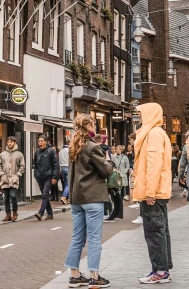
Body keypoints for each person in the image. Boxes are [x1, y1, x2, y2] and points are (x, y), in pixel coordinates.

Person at [63, 115, 113, 288]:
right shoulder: (92, 147)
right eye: (94, 123)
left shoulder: (72, 147)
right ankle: (94, 276)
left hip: (77, 198)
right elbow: (106, 171)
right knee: (94, 238)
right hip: (92, 197)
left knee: (77, 237)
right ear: (89, 126)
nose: (96, 126)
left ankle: (75, 276)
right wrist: (109, 160)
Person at [132, 102, 173, 285]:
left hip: (153, 193)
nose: (139, 116)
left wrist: (149, 192)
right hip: (157, 191)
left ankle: (160, 271)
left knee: (154, 232)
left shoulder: (153, 135)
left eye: (141, 113)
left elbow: (153, 164)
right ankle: (162, 268)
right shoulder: (157, 133)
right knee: (161, 231)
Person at [0, 136, 25, 222]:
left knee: (13, 195)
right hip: (5, 178)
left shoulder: (19, 154)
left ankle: (15, 212)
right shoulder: (2, 154)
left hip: (14, 178)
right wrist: (1, 173)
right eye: (8, 142)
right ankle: (8, 214)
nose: (9, 143)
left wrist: (18, 174)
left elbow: (22, 165)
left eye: (11, 142)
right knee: (6, 197)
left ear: (15, 143)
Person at [33, 135, 59, 221]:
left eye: (41, 141)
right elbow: (35, 164)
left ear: (45, 142)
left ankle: (40, 213)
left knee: (44, 194)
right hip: (39, 177)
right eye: (39, 141)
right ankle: (50, 213)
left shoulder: (51, 151)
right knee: (45, 196)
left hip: (49, 176)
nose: (40, 143)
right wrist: (35, 174)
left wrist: (55, 176)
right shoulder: (37, 152)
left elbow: (56, 165)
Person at [106, 145, 130, 221]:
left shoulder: (125, 157)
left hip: (122, 176)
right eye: (116, 149)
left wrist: (123, 172)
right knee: (116, 192)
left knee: (121, 192)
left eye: (118, 149)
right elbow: (112, 165)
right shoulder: (113, 157)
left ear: (121, 150)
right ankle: (117, 211)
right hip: (115, 176)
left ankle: (118, 210)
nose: (116, 150)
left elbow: (127, 166)